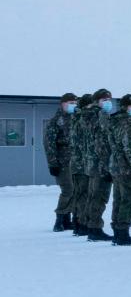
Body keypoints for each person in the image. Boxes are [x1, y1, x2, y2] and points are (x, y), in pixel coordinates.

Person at [106, 94, 131, 246]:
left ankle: (117, 232)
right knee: (129, 201)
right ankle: (123, 233)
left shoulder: (114, 121)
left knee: (119, 200)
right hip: (128, 169)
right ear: (124, 107)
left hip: (116, 167)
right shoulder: (128, 124)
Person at [83, 89, 115, 242]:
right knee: (99, 197)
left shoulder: (88, 115)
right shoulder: (99, 115)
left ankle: (91, 227)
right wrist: (106, 166)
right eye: (104, 100)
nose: (108, 102)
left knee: (93, 195)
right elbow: (102, 144)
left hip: (92, 163)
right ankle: (95, 229)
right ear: (96, 102)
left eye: (109, 99)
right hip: (100, 164)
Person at [44, 92, 77, 232]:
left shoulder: (76, 119)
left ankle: (67, 219)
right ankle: (59, 219)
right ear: (62, 104)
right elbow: (49, 144)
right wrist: (53, 163)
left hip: (76, 161)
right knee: (68, 190)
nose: (73, 106)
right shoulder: (55, 121)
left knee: (75, 190)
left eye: (75, 103)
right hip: (62, 162)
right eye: (70, 103)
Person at [67, 93, 94, 237]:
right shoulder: (83, 119)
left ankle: (77, 223)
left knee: (79, 194)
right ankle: (82, 224)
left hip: (78, 162)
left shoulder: (76, 118)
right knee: (84, 195)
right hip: (83, 163)